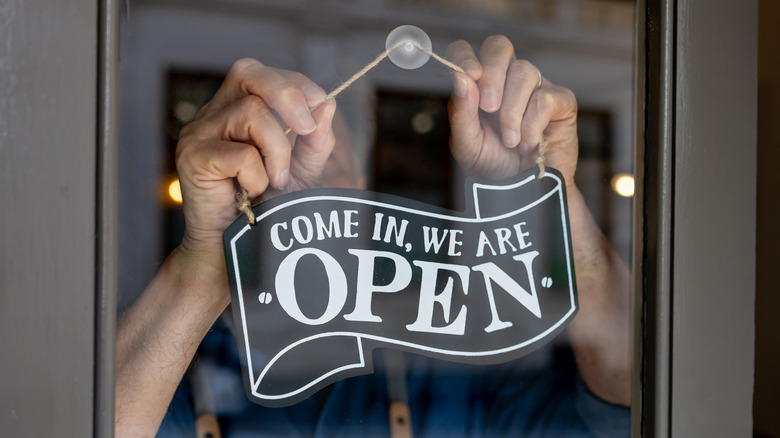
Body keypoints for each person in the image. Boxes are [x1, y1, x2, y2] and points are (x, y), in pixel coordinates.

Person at [115, 35, 632, 437]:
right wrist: (207, 262)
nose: (303, 187)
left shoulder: (451, 364)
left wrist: (547, 201)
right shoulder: (177, 374)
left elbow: (632, 400)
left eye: (327, 165)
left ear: (361, 188)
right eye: (281, 157)